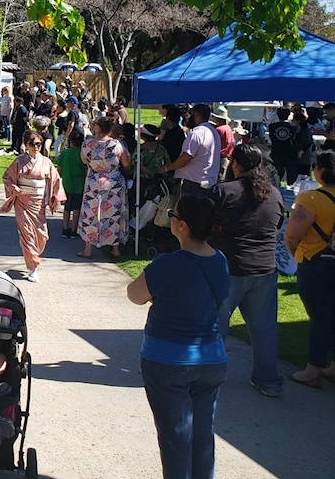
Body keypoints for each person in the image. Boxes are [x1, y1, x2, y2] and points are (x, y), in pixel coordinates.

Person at [126, 193, 229, 479]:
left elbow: (134, 295)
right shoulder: (220, 260)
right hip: (211, 358)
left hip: (167, 360)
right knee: (202, 435)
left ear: (182, 225)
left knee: (175, 437)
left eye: (172, 215)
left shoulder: (168, 264)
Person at [210, 143, 284, 397]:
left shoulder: (222, 191)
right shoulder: (273, 194)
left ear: (235, 164)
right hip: (264, 269)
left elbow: (206, 226)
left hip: (229, 267)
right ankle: (269, 380)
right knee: (264, 331)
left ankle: (210, 377)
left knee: (215, 327)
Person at [282, 149, 335, 388]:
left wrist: (295, 253)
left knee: (319, 317)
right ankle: (332, 366)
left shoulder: (311, 198)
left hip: (316, 260)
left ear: (321, 170)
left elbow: (292, 234)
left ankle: (312, 369)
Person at [1, 129, 66, 281]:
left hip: (39, 203)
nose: (36, 147)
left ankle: (34, 257)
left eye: (38, 144)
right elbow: (7, 177)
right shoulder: (19, 161)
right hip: (23, 202)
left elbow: (56, 180)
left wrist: (56, 197)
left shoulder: (46, 162)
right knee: (27, 235)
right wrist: (13, 187)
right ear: (26, 145)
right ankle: (32, 267)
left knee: (42, 235)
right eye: (32, 144)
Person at [78, 116, 131, 260]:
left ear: (99, 128)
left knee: (91, 215)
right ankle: (115, 248)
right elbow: (125, 164)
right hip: (114, 182)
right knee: (114, 215)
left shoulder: (88, 144)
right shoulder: (117, 145)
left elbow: (84, 161)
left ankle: (88, 249)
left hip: (94, 182)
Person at [162, 103, 221, 191]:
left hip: (193, 183)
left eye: (190, 113)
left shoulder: (196, 133)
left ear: (196, 114)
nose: (188, 117)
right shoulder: (214, 132)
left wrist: (167, 168)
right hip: (209, 182)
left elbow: (186, 157)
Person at [55, 130, 86, 238]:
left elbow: (59, 169)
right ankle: (74, 229)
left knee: (67, 208)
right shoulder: (82, 154)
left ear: (70, 141)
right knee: (77, 208)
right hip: (79, 184)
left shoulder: (64, 153)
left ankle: (65, 227)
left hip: (67, 184)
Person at [210, 106, 235, 181]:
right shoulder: (228, 128)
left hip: (219, 158)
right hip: (227, 158)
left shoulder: (219, 130)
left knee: (217, 180)